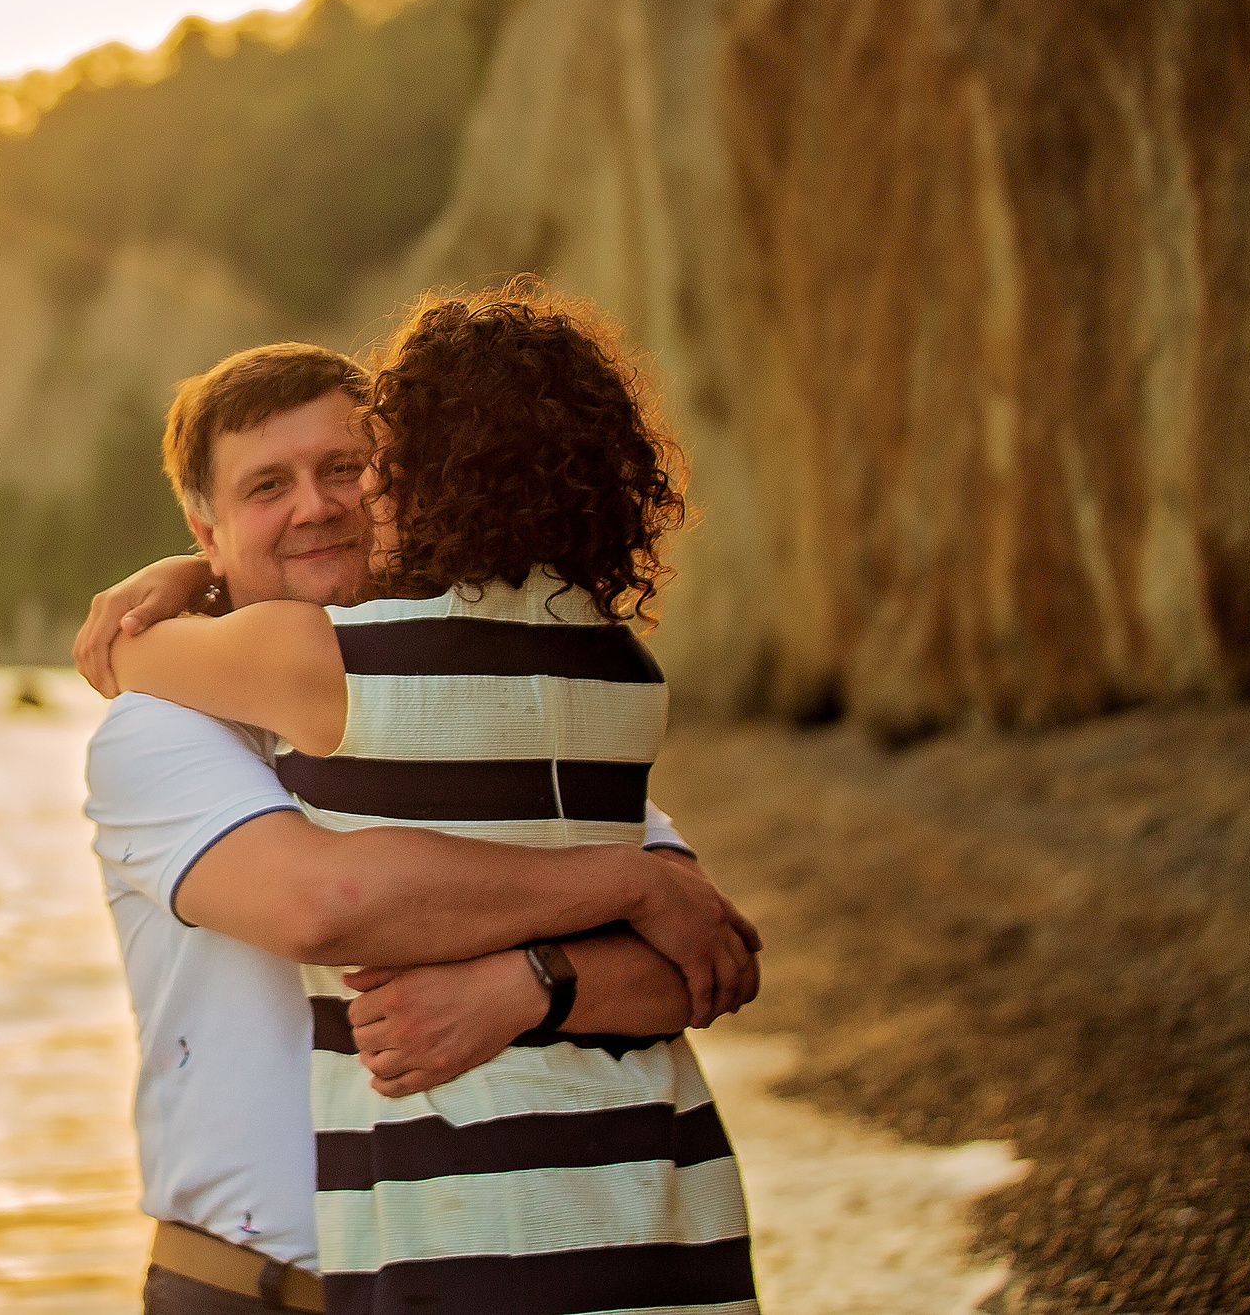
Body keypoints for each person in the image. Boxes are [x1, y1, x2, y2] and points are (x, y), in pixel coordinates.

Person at [72, 331, 760, 1314]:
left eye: (344, 469)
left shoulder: (499, 717)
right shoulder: (160, 732)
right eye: (266, 486)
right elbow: (327, 902)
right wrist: (625, 886)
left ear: (405, 479)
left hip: (478, 1271)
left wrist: (530, 985)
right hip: (260, 1290)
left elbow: (696, 961)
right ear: (204, 528)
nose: (315, 505)